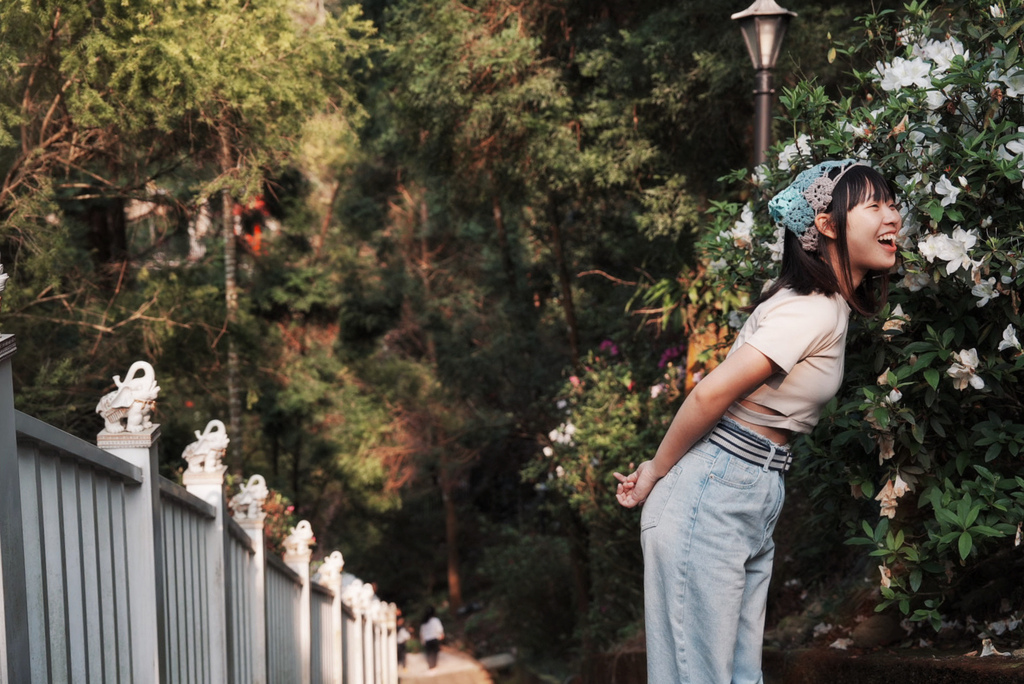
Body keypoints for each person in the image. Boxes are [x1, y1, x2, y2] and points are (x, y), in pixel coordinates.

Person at [614, 160, 900, 683]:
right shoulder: (811, 309)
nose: (893, 217)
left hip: (748, 486)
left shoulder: (825, 304)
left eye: (892, 202)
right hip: (716, 489)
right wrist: (655, 469)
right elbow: (711, 393)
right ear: (828, 225)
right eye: (874, 204)